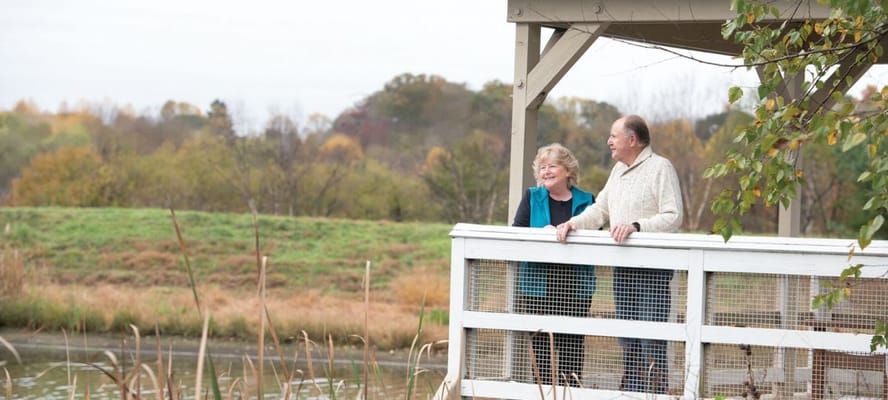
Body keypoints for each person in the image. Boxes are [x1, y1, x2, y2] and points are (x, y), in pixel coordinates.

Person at [555, 115, 683, 394]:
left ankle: (654, 394)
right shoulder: (617, 171)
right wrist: (573, 223)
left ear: (632, 140)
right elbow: (600, 209)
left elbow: (673, 216)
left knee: (651, 338)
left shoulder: (660, 167)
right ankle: (633, 393)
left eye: (614, 136)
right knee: (627, 338)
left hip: (652, 269)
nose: (609, 141)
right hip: (622, 266)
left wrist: (637, 227)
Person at [512, 143, 596, 387]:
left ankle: (570, 393)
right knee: (541, 351)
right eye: (542, 167)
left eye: (552, 166)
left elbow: (596, 238)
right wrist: (543, 234)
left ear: (568, 170)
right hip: (538, 286)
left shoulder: (588, 201)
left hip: (575, 288)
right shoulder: (532, 196)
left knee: (571, 350)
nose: (545, 171)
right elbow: (518, 232)